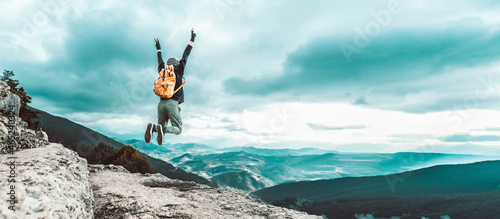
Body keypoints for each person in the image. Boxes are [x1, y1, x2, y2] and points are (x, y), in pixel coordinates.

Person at [144, 28, 196, 145]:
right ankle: (163, 129)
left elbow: (159, 61)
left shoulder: (162, 71)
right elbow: (186, 55)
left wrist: (158, 49)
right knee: (178, 129)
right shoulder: (179, 70)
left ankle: (153, 128)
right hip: (173, 103)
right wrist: (192, 40)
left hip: (161, 104)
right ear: (177, 64)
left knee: (160, 126)